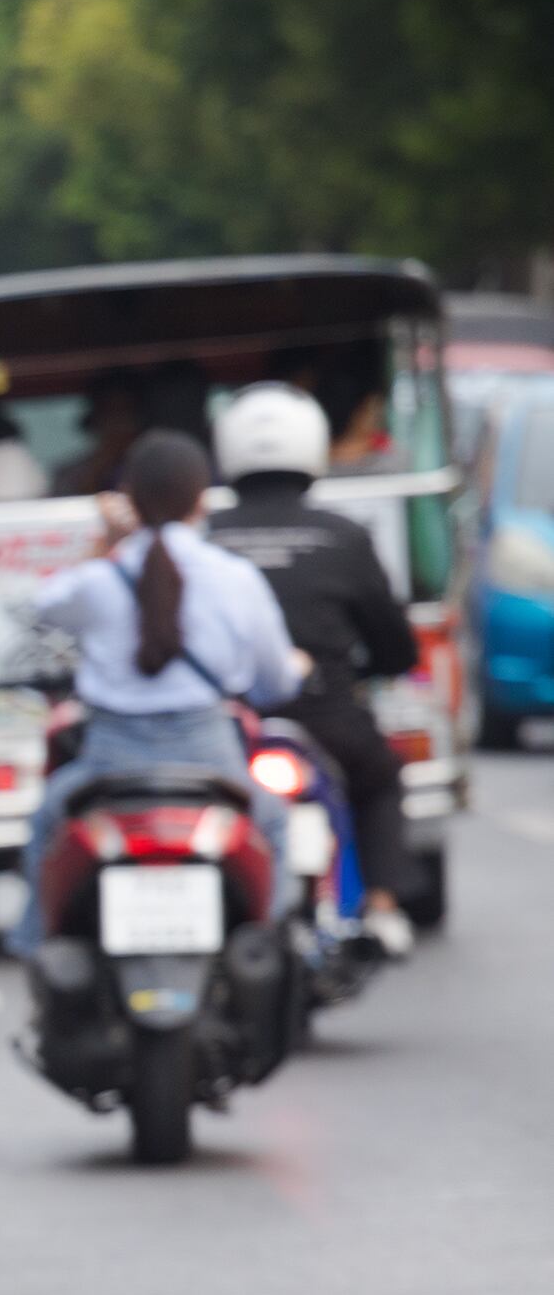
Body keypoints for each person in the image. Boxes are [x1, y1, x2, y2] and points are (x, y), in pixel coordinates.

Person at [6, 429, 307, 959]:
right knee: (276, 822)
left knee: (47, 819)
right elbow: (274, 683)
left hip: (109, 767)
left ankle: (33, 943)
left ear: (128, 497)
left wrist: (105, 540)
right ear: (203, 497)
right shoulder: (235, 578)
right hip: (213, 762)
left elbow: (45, 606)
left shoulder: (102, 579)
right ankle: (274, 952)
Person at [208, 382, 422, 954]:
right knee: (378, 778)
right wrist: (368, 668)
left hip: (228, 728)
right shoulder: (344, 536)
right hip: (328, 719)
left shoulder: (205, 539)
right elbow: (395, 646)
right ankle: (382, 906)